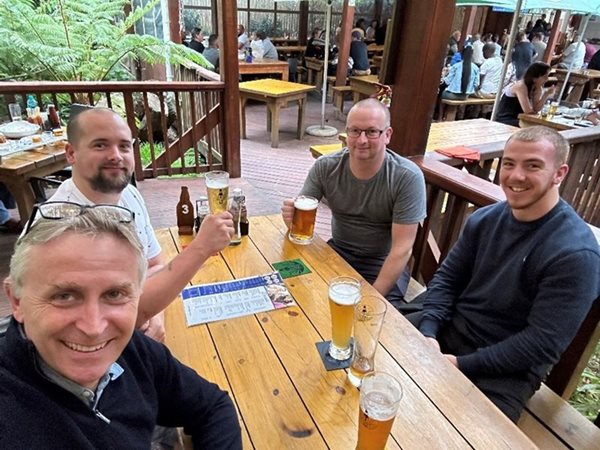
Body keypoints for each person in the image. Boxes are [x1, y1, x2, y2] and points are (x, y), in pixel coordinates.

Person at [0, 206, 242, 447]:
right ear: (17, 301)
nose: (94, 328)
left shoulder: (131, 350)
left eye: (114, 294)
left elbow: (213, 407)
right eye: (64, 296)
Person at [408, 126, 600, 422]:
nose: (516, 175)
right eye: (509, 163)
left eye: (533, 166)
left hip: (505, 369)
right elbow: (447, 279)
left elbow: (541, 344)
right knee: (368, 357)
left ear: (559, 173)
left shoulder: (575, 253)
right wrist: (429, 332)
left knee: (452, 434)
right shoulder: (485, 219)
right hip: (449, 329)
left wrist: (460, 364)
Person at [44, 108, 234, 341]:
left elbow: (153, 264)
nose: (116, 156)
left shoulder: (129, 195)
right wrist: (201, 247)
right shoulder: (59, 226)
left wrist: (155, 314)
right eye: (100, 145)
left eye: (124, 146)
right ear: (71, 153)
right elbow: (105, 319)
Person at [281, 99, 426, 306]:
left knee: (378, 317)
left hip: (383, 262)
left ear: (387, 135)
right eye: (355, 131)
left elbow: (402, 249)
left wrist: (371, 299)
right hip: (337, 252)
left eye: (372, 132)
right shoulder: (326, 167)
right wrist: (291, 220)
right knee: (297, 295)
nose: (362, 140)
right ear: (346, 132)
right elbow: (299, 219)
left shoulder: (406, 177)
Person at [495, 62, 555, 127]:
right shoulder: (521, 86)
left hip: (520, 119)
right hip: (506, 119)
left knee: (541, 127)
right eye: (545, 77)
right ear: (535, 77)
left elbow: (536, 109)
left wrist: (545, 95)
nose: (547, 79)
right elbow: (528, 111)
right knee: (535, 127)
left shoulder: (537, 88)